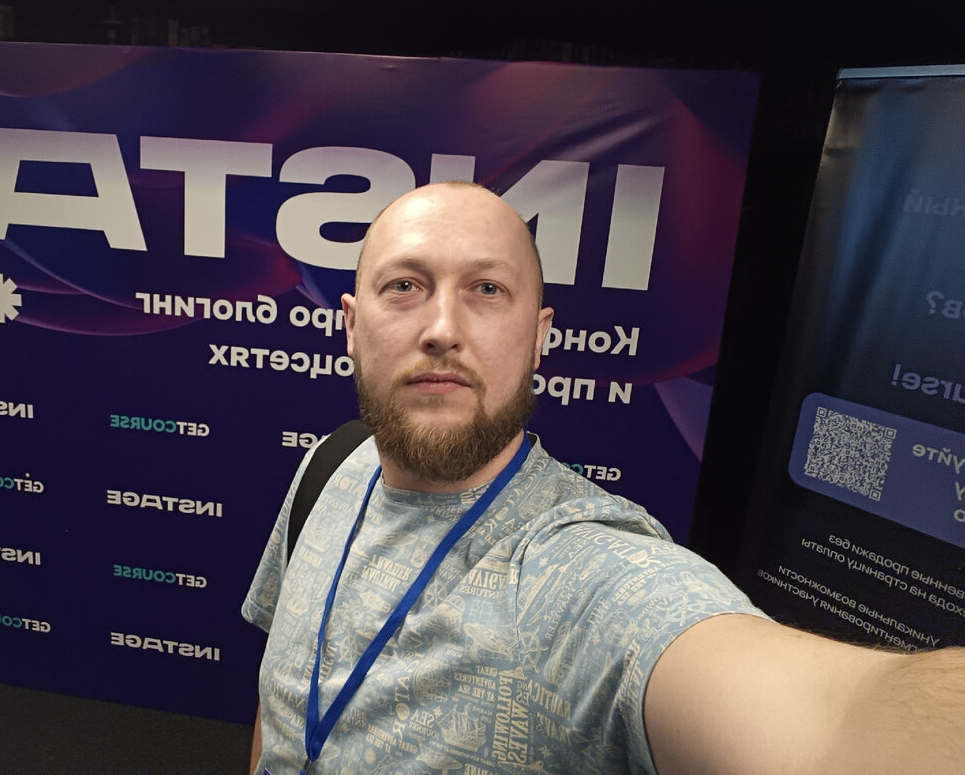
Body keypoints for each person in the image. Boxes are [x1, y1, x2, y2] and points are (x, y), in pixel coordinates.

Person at [242, 181, 964, 775]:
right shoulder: (329, 466)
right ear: (350, 325)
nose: (441, 328)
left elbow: (834, 721)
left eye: (487, 289)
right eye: (404, 285)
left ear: (538, 338)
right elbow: (283, 701)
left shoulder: (591, 573)